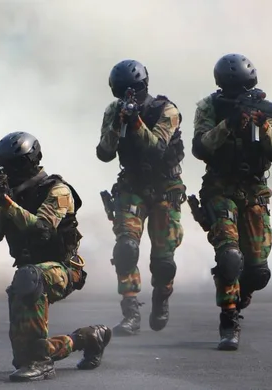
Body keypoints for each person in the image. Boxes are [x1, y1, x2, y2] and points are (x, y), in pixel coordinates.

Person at [0, 131, 112, 382]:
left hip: (64, 269)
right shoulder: (8, 193)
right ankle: (86, 338)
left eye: (14, 166)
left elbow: (43, 230)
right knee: (23, 356)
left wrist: (7, 204)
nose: (9, 172)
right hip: (31, 274)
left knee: (29, 276)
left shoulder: (57, 190)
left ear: (31, 161)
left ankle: (42, 363)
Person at [190, 53, 272, 350]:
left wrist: (262, 125)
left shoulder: (263, 108)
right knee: (230, 256)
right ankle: (228, 320)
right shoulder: (209, 107)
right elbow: (200, 148)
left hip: (254, 191)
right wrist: (229, 125)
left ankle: (240, 292)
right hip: (220, 189)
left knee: (258, 272)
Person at [96, 59, 186, 336]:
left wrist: (136, 122)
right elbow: (104, 152)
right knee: (125, 248)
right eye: (123, 91)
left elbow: (157, 148)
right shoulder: (113, 110)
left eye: (132, 90)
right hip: (132, 186)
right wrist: (118, 124)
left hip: (163, 188)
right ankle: (131, 310)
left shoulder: (166, 110)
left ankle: (161, 296)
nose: (127, 96)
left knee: (163, 260)